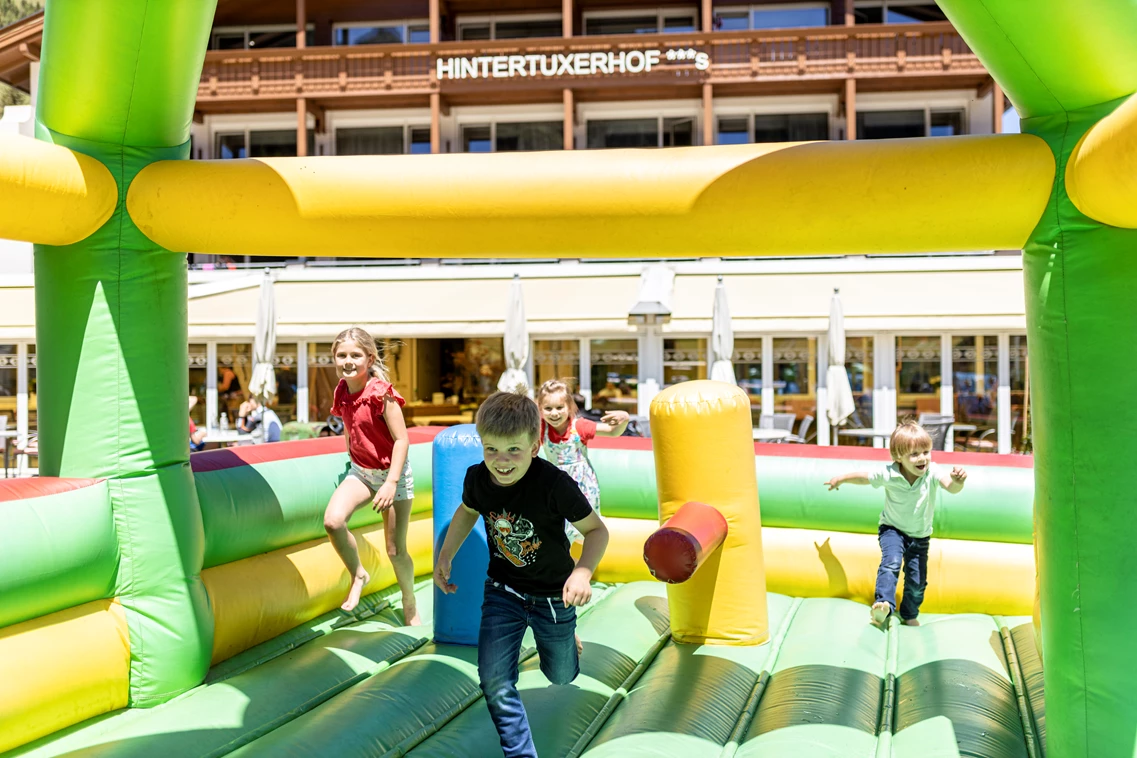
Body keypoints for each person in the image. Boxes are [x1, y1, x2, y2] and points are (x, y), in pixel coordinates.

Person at [434, 391, 609, 758]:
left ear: (534, 446)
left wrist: (582, 572)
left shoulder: (554, 484)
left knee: (561, 676)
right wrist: (446, 552)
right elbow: (467, 511)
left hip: (553, 595)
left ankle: (568, 638)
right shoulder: (477, 478)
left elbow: (597, 531)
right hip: (504, 591)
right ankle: (520, 753)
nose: (501, 461)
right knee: (494, 679)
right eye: (491, 449)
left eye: (513, 450)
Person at [823, 420, 967, 627]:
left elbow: (950, 487)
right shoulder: (889, 474)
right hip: (893, 530)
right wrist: (841, 479)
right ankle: (884, 603)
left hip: (920, 535)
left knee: (917, 583)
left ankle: (909, 613)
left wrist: (958, 481)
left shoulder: (932, 472)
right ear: (899, 457)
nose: (922, 458)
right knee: (891, 563)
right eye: (914, 454)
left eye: (926, 451)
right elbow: (864, 477)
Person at [321, 327, 419, 621]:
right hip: (362, 473)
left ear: (369, 357)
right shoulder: (342, 390)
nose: (347, 361)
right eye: (341, 355)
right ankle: (358, 573)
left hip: (393, 475)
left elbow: (402, 439)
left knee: (394, 550)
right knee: (333, 521)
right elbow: (353, 430)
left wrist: (390, 483)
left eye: (355, 354)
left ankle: (409, 600)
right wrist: (353, 458)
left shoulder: (381, 393)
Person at [535, 379, 628, 539]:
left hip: (582, 485)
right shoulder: (542, 428)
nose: (554, 413)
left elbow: (612, 431)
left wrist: (624, 418)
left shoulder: (579, 426)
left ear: (569, 407)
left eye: (559, 407)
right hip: (556, 482)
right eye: (548, 408)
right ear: (541, 410)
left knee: (581, 524)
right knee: (558, 524)